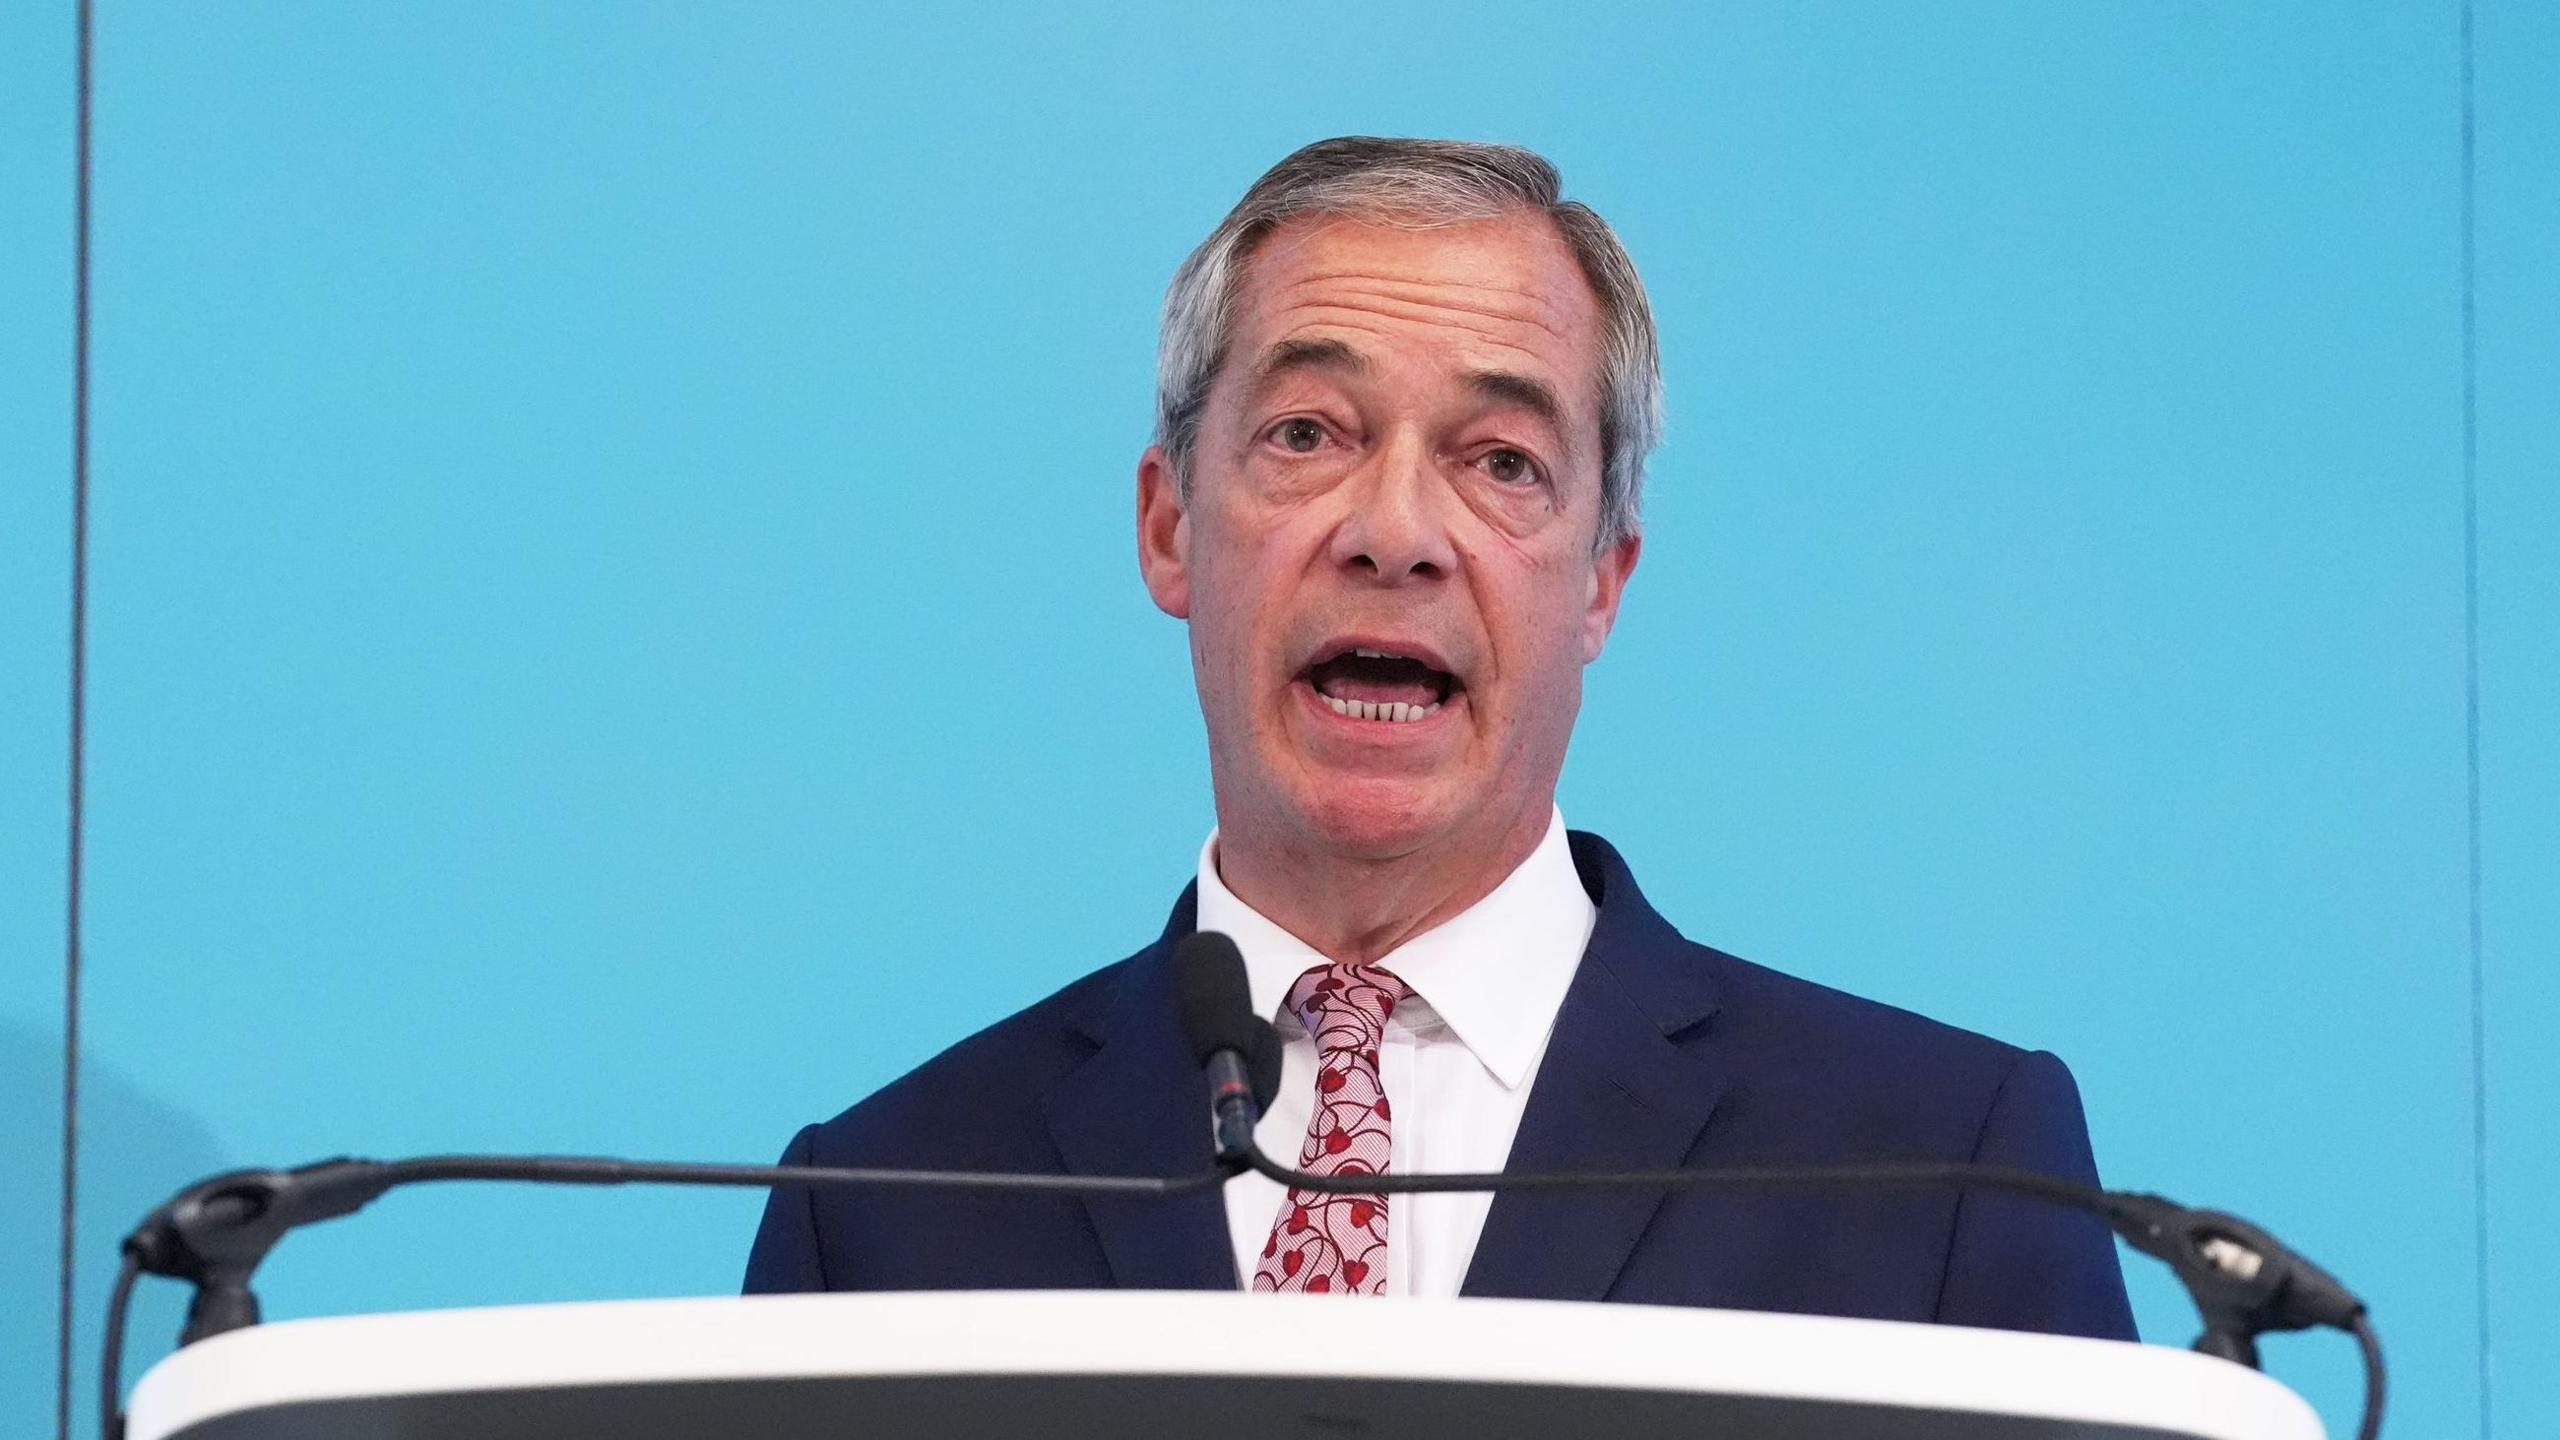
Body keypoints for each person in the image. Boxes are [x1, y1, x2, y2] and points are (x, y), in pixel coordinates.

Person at [745, 136, 2136, 1338]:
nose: (1395, 533)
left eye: (1502, 462)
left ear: (1601, 579)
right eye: (1307, 433)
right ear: (1168, 528)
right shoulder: (878, 1211)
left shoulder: (1947, 1166)